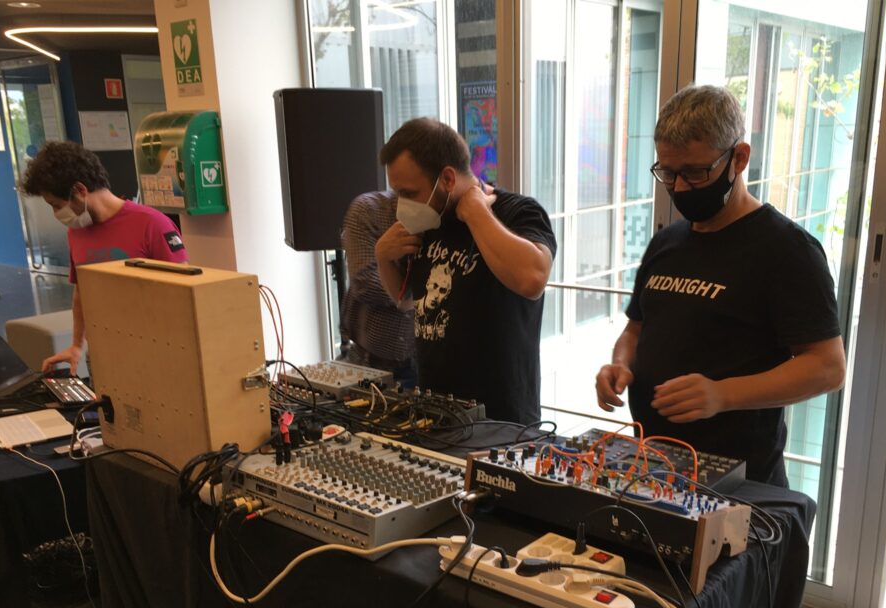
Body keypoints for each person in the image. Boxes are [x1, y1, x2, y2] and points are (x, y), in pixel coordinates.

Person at [594, 85, 845, 486]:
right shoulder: (667, 242)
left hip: (741, 483)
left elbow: (828, 367)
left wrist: (723, 394)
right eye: (668, 173)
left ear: (739, 158)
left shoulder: (787, 250)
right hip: (656, 469)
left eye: (695, 173)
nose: (679, 188)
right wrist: (621, 364)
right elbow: (635, 329)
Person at [375, 118, 556, 424]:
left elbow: (533, 279)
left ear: (447, 178)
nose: (402, 204)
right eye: (397, 194)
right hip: (436, 412)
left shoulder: (518, 212)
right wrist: (383, 257)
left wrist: (476, 212)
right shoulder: (429, 220)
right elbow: (405, 299)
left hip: (502, 419)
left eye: (409, 192)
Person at [19, 141, 189, 374]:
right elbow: (82, 292)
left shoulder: (152, 224)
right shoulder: (76, 231)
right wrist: (77, 345)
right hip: (104, 352)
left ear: (80, 191)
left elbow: (184, 294)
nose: (56, 213)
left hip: (156, 352)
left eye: (56, 205)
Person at [339, 190, 416, 383]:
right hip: (368, 362)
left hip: (422, 366)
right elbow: (364, 283)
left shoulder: (450, 218)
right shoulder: (368, 209)